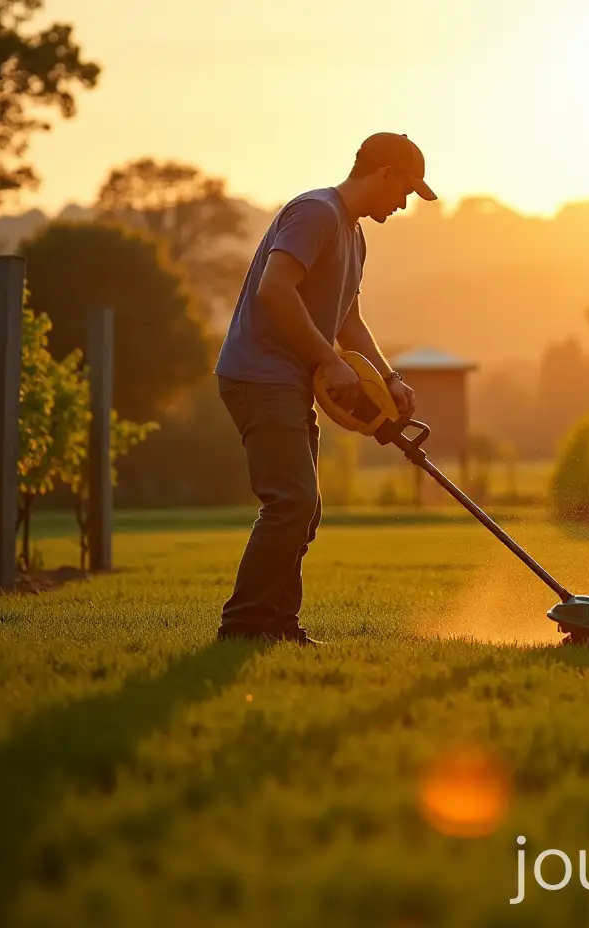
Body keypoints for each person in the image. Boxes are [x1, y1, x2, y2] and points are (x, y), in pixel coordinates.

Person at [211, 132, 436, 645]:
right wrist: (328, 361)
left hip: (288, 382)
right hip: (258, 374)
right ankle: (244, 625)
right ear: (382, 174)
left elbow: (348, 319)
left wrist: (388, 378)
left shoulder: (353, 234)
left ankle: (278, 626)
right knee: (291, 501)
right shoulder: (316, 214)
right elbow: (274, 289)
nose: (403, 203)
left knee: (303, 509)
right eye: (404, 189)